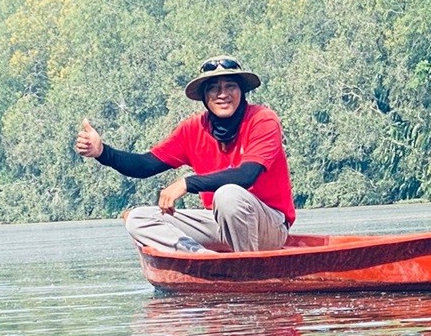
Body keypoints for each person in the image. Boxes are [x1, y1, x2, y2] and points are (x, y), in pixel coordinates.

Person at [75, 55, 296, 253]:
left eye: (230, 86)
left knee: (228, 194)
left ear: (242, 91)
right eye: (213, 88)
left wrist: (187, 183)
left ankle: (247, 267)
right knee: (138, 219)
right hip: (219, 223)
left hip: (268, 226)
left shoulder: (262, 119)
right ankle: (206, 260)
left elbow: (247, 175)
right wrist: (102, 152)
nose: (222, 94)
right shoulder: (193, 128)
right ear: (204, 96)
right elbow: (145, 165)